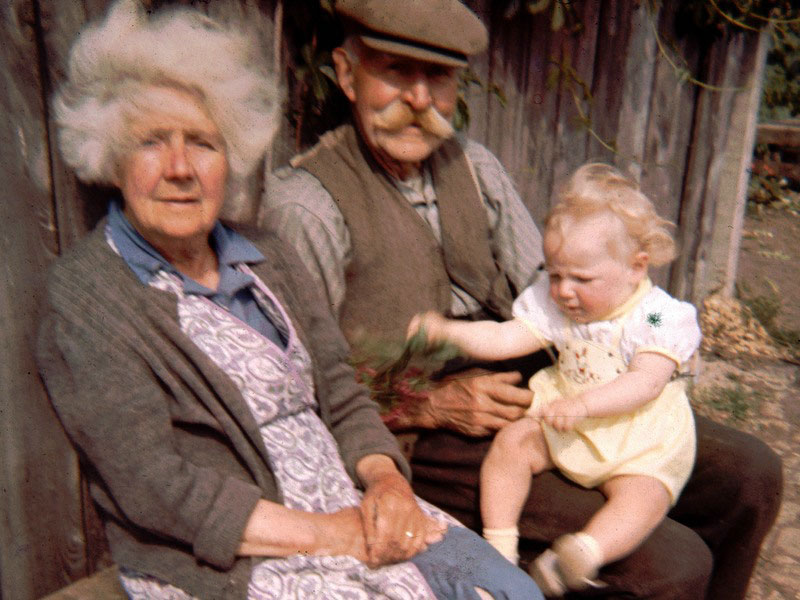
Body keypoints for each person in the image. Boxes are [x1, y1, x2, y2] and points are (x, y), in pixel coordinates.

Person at [261, 1, 783, 598]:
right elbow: (293, 386)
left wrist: (639, 341)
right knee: (670, 561)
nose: (420, 99)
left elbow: (555, 291)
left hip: (543, 398)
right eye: (395, 71)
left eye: (438, 77)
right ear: (347, 74)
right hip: (425, 435)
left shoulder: (476, 168)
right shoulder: (309, 206)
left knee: (750, 475)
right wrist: (428, 405)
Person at [35, 2, 543, 599]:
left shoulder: (267, 252)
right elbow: (154, 487)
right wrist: (332, 535)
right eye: (151, 142)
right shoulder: (87, 297)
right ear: (113, 158)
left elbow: (341, 389)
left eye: (203, 143)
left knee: (511, 593)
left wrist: (387, 484)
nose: (179, 169)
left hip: (349, 504)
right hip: (234, 553)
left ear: (232, 156)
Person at [410, 163, 703, 596]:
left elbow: (646, 382)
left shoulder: (657, 314)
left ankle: (585, 551)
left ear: (636, 268)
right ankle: (499, 548)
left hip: (635, 434)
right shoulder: (554, 304)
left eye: (581, 279)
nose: (564, 290)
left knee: (644, 496)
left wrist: (583, 406)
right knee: (511, 446)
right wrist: (448, 333)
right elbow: (505, 337)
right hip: (567, 417)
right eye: (555, 273)